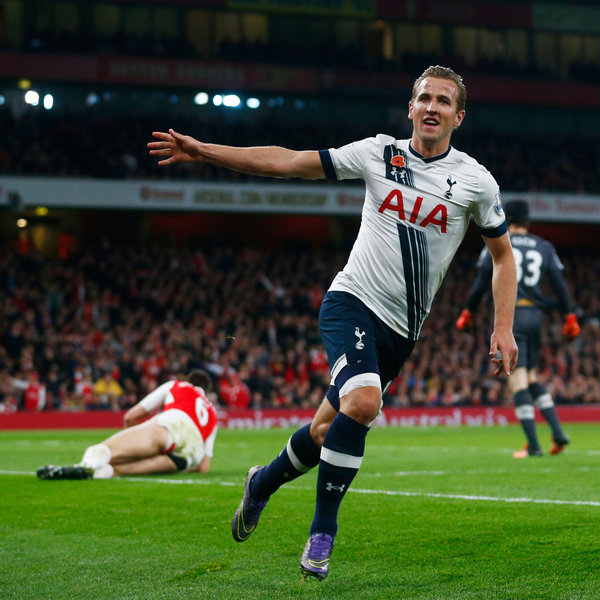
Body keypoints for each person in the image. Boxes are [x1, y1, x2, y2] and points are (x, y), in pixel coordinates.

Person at [147, 65, 518, 581]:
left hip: (403, 331)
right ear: (410, 107)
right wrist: (206, 150)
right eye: (424, 98)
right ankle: (323, 533)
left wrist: (503, 326)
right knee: (365, 402)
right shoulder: (377, 154)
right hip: (351, 300)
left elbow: (503, 257)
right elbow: (290, 162)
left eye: (444, 101)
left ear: (459, 115)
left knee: (325, 429)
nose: (432, 107)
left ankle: (262, 484)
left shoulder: (477, 182)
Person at [457, 199, 579, 457]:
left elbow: (481, 282)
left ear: (506, 217)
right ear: (528, 219)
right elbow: (559, 283)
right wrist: (570, 315)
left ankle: (533, 446)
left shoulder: (499, 241)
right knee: (532, 377)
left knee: (516, 381)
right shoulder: (544, 246)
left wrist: (468, 311)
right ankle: (557, 433)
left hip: (512, 315)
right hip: (536, 316)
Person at [37, 369, 217, 479]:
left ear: (188, 381)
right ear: (206, 393)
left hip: (171, 426)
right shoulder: (213, 414)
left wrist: (139, 445)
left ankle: (81, 467)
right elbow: (204, 467)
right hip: (187, 456)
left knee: (101, 451)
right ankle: (103, 472)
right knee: (116, 469)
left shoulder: (177, 385)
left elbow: (131, 416)